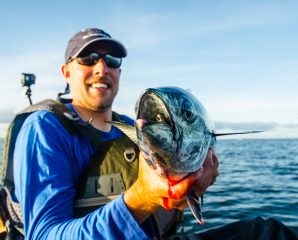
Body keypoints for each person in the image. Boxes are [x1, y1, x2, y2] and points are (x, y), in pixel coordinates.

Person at [9, 28, 219, 239]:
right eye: (88, 58)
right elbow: (43, 235)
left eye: (112, 60)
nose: (102, 68)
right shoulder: (44, 128)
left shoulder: (132, 126)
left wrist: (184, 186)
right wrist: (142, 198)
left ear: (120, 72)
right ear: (66, 72)